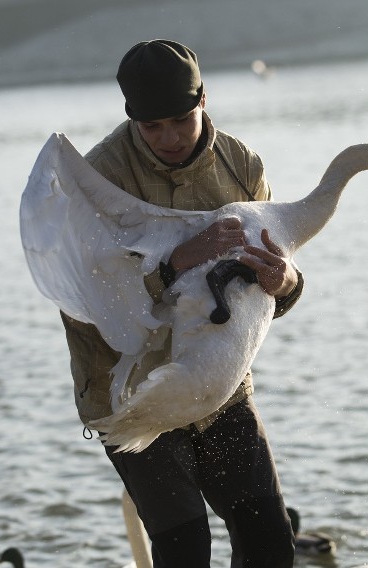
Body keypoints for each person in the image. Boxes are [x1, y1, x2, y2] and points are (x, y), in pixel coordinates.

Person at [60, 39, 302, 567]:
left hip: (219, 384)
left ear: (204, 101)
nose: (168, 138)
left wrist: (286, 284)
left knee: (269, 543)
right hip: (128, 392)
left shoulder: (241, 166)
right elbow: (82, 303)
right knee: (185, 548)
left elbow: (264, 287)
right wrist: (174, 264)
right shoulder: (97, 180)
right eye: (152, 128)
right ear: (131, 120)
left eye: (180, 121)